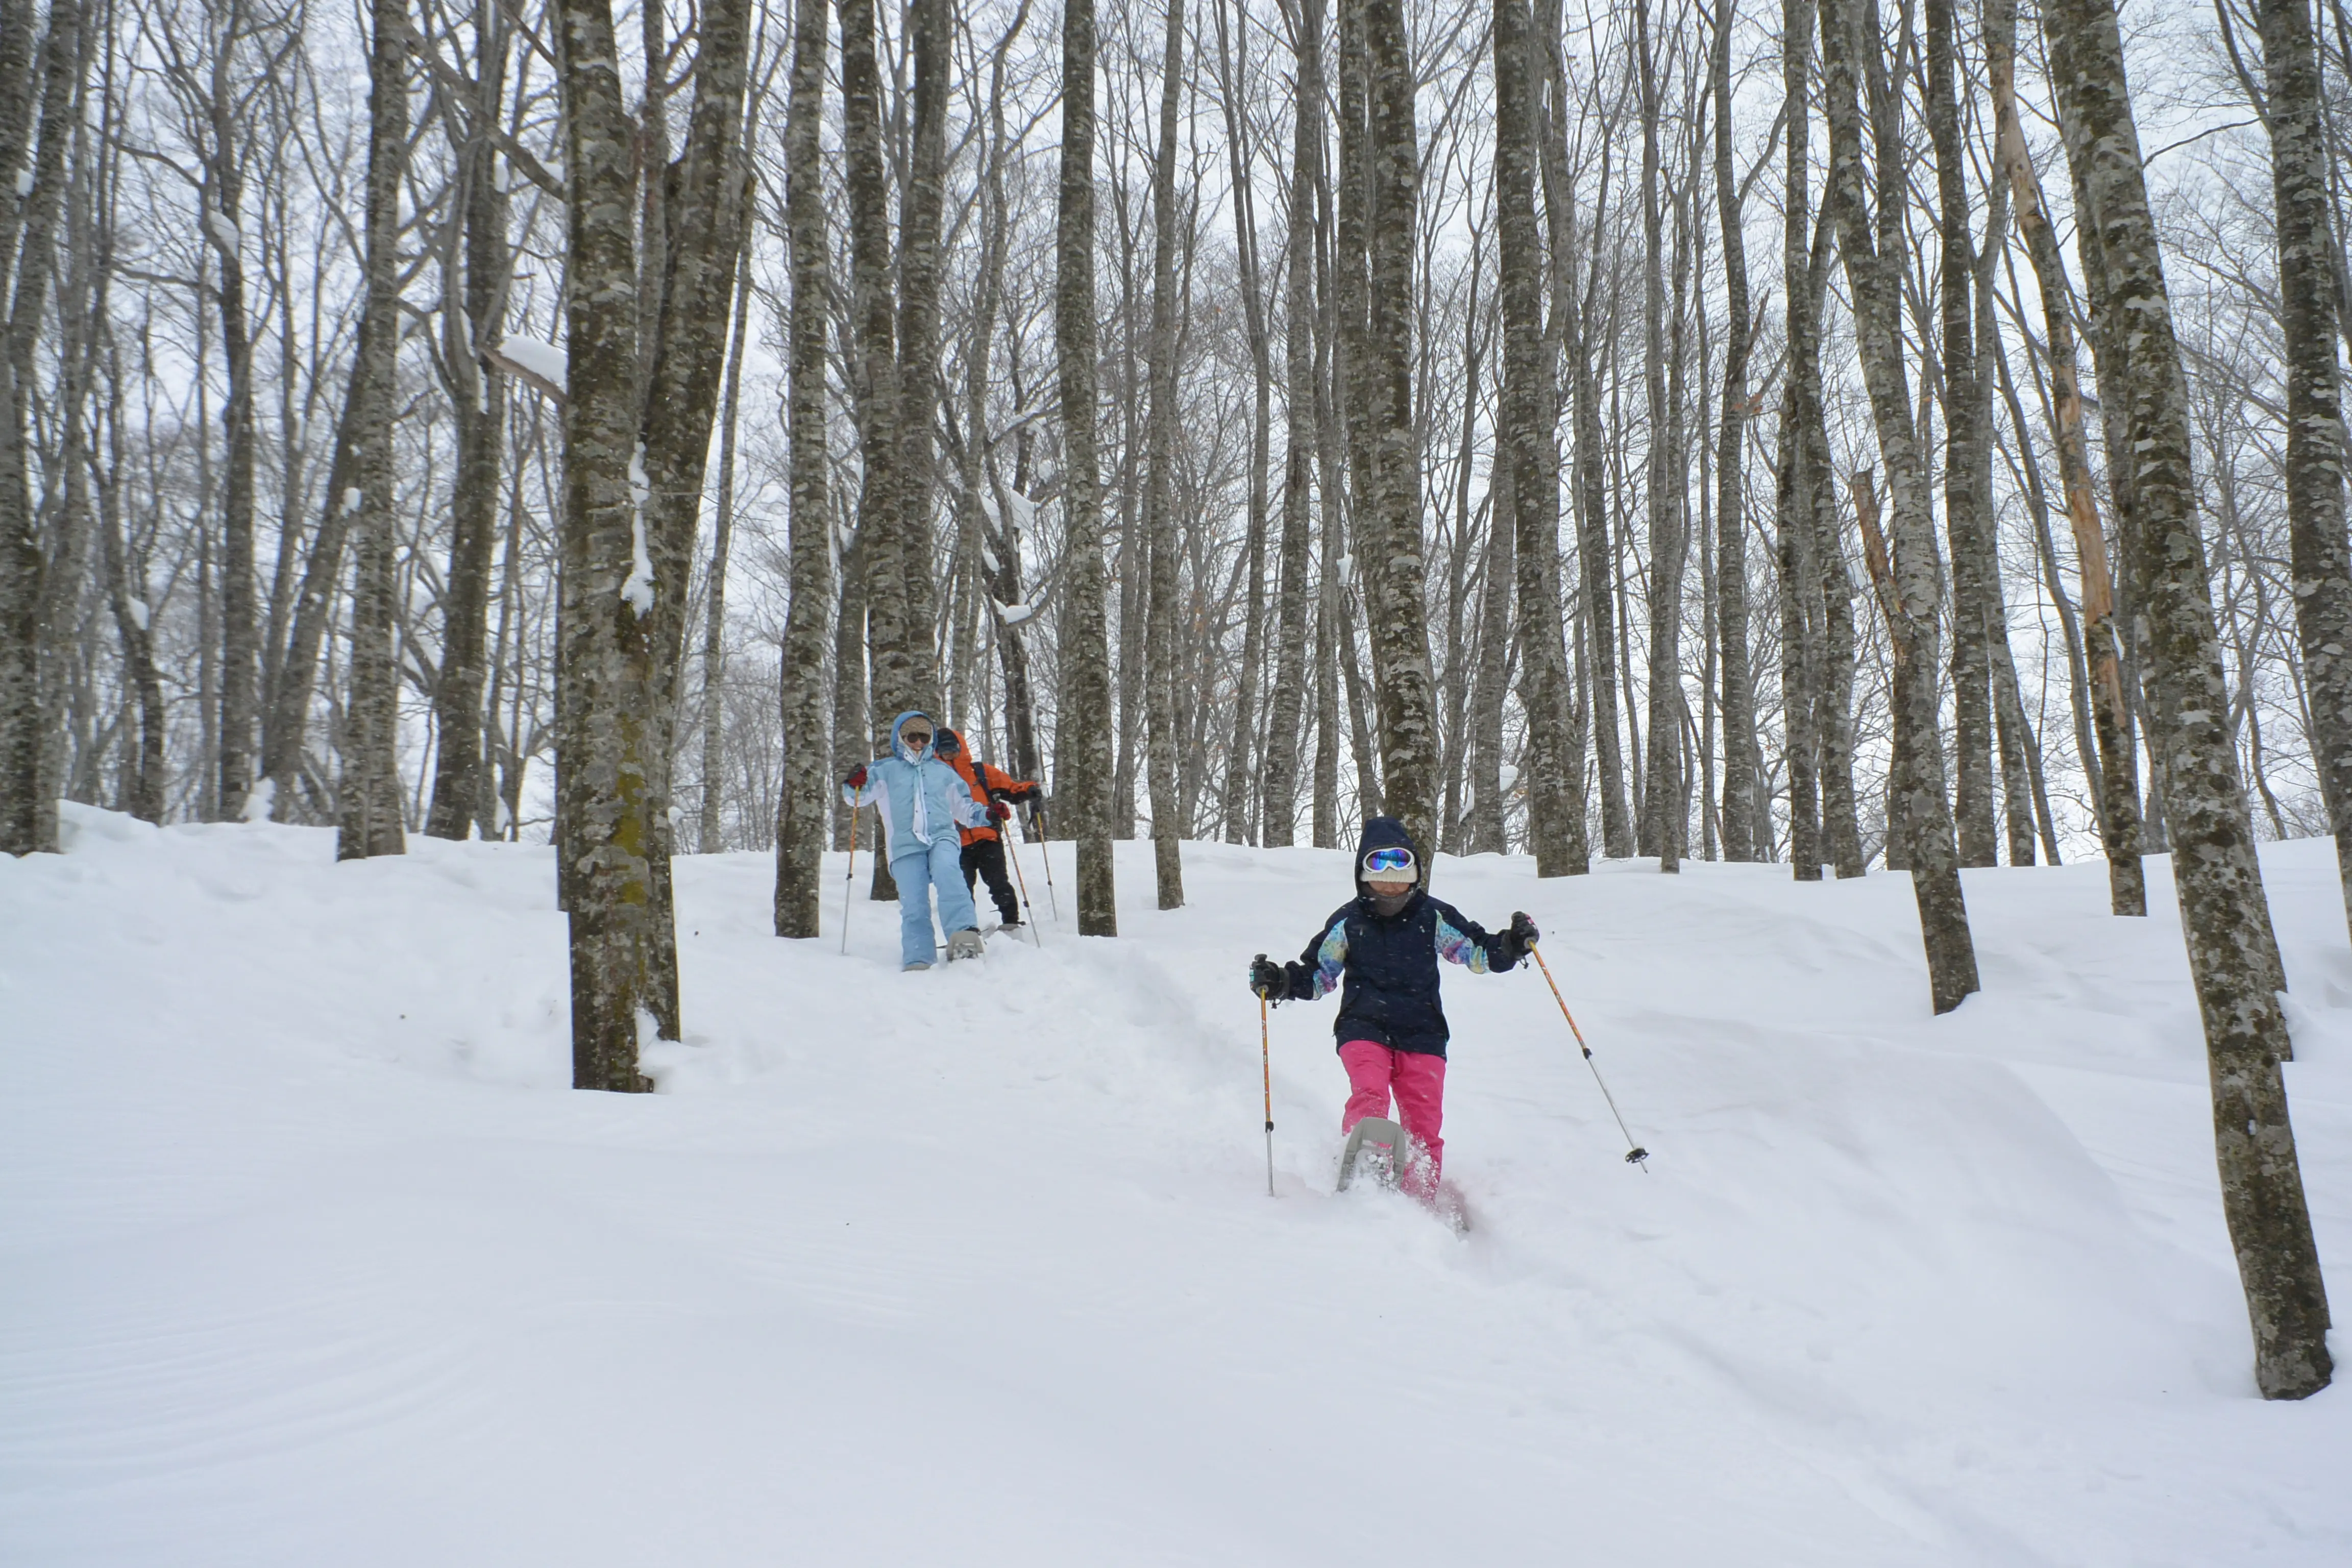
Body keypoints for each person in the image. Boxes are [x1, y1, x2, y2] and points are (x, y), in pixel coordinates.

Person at [1247, 816, 1537, 1199]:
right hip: (1363, 1026)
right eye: (1378, 869)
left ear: (1414, 873)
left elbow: (1477, 952)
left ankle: (1419, 1199)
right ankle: (1364, 1174)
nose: (1390, 880)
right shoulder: (1349, 922)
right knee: (1370, 1093)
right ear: (1363, 876)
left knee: (1424, 1122)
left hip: (1423, 1033)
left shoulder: (1432, 916)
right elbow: (1320, 974)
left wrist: (1511, 946)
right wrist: (1280, 981)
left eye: (1400, 869)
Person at [842, 712, 994, 970]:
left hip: (942, 836)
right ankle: (919, 956)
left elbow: (965, 808)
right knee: (914, 901)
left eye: (924, 736)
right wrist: (853, 784)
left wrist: (988, 814)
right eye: (912, 736)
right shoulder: (884, 770)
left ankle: (964, 936)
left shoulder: (943, 772)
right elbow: (857, 799)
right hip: (904, 845)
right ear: (900, 738)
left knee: (950, 874)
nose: (918, 743)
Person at [933, 728, 1041, 929]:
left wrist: (1029, 789)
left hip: (988, 839)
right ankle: (966, 928)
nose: (949, 756)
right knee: (961, 890)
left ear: (961, 749)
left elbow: (1011, 789)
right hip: (956, 844)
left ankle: (1011, 922)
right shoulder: (936, 778)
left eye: (953, 751)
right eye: (944, 753)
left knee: (999, 883)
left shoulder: (980, 772)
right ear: (937, 753)